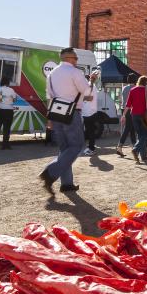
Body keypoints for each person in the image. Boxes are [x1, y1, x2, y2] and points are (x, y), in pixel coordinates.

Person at [40, 47, 92, 194]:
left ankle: (67, 183)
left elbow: (49, 97)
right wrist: (90, 82)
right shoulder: (75, 72)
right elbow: (86, 91)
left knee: (64, 149)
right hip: (72, 112)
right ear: (69, 58)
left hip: (56, 112)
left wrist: (49, 118)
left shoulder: (51, 74)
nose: (77, 61)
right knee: (77, 145)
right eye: (75, 58)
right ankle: (50, 171)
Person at [124, 75, 147, 164]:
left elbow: (128, 104)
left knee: (140, 135)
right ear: (146, 83)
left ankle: (143, 157)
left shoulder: (132, 90)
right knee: (146, 134)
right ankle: (135, 149)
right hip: (144, 115)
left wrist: (123, 115)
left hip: (134, 115)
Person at [0, 76, 16, 150]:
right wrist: (9, 99)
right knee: (6, 128)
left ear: (1, 82)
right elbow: (14, 100)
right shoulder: (11, 90)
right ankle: (5, 145)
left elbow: (0, 99)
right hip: (8, 110)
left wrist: (4, 98)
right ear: (8, 83)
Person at [116, 75, 137, 156]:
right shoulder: (135, 88)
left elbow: (122, 99)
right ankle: (119, 146)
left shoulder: (124, 88)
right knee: (128, 128)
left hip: (124, 109)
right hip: (131, 109)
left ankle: (134, 147)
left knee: (131, 128)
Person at [82, 71, 100, 156]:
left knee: (90, 131)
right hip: (91, 112)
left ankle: (91, 148)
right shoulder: (93, 86)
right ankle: (90, 147)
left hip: (88, 112)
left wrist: (80, 98)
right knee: (90, 131)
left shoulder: (89, 85)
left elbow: (90, 98)